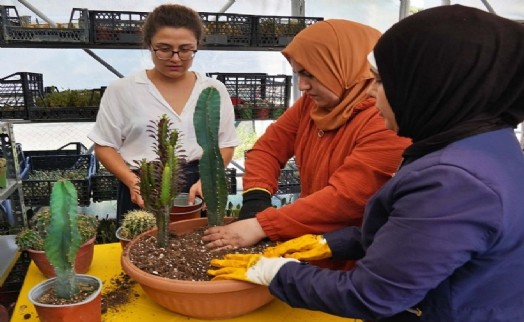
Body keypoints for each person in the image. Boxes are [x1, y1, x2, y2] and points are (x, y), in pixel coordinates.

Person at [207, 5, 524, 321]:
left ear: (429, 84)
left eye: (382, 81)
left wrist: (274, 272)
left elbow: (372, 294)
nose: (372, 92)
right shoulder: (483, 143)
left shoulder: (455, 180)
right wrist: (330, 242)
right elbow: (414, 233)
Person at [203, 19, 410, 270]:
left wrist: (262, 225)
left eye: (310, 74)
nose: (301, 85)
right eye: (298, 73)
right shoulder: (311, 106)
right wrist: (256, 198)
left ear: (344, 66)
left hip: (357, 259)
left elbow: (346, 199)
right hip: (309, 242)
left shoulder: (385, 120)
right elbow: (267, 149)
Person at [88, 4, 240, 223]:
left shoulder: (212, 90)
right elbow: (104, 145)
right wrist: (133, 182)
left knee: (198, 251)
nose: (176, 58)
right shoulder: (123, 89)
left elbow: (226, 143)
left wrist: (208, 179)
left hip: (197, 185)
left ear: (197, 46)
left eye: (186, 49)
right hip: (143, 185)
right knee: (142, 250)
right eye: (164, 48)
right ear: (149, 45)